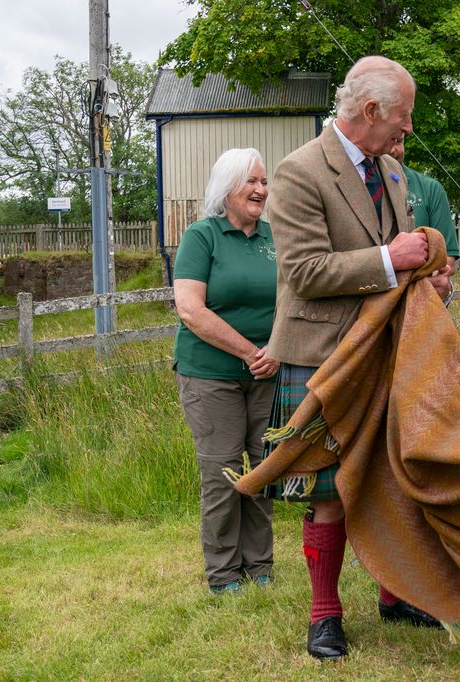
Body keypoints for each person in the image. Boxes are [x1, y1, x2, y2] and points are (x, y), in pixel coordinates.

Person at [263, 55, 452, 661]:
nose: (409, 129)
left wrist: (425, 281)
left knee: (394, 475)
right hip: (322, 353)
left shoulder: (392, 173)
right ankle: (325, 613)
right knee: (329, 487)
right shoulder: (299, 173)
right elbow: (304, 272)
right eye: (404, 116)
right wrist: (390, 260)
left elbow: (400, 265)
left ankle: (395, 593)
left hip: (387, 348)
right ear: (370, 111)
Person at [173, 147, 280, 595]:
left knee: (263, 467)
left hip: (267, 373)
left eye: (263, 180)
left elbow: (295, 298)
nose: (261, 189)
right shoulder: (203, 237)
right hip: (210, 374)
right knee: (221, 472)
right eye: (250, 181)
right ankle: (223, 574)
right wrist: (249, 351)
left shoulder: (275, 237)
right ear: (226, 189)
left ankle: (260, 565)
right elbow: (190, 310)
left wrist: (276, 348)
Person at [388, 137, 459, 290]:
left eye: (398, 142)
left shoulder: (430, 188)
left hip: (420, 298)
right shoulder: (359, 188)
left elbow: (448, 261)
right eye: (387, 141)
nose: (393, 150)